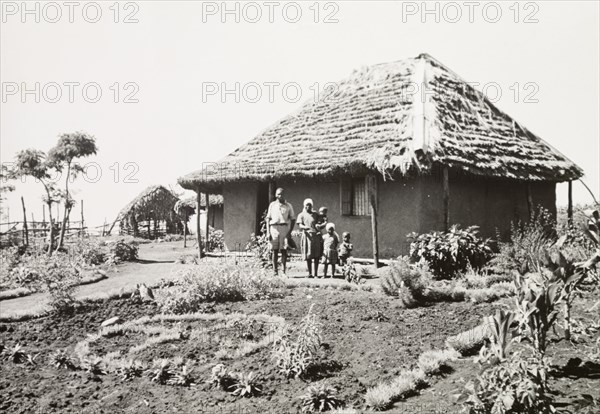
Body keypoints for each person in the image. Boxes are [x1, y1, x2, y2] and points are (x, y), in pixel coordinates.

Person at [265, 188, 296, 276]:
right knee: (274, 250)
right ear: (275, 195)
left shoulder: (288, 205)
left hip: (284, 228)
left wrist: (289, 232)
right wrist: (268, 232)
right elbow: (268, 218)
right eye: (278, 194)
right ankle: (275, 271)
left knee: (284, 250)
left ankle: (283, 271)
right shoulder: (272, 205)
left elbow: (293, 219)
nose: (280, 196)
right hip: (274, 228)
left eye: (281, 194)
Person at [296, 198, 321, 278]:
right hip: (307, 236)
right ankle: (310, 273)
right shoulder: (301, 215)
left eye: (310, 205)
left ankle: (316, 273)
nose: (308, 207)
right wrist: (304, 227)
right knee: (308, 255)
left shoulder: (316, 215)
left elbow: (319, 223)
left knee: (316, 255)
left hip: (315, 236)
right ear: (304, 206)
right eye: (307, 205)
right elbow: (300, 224)